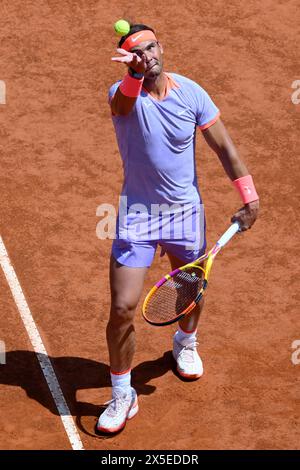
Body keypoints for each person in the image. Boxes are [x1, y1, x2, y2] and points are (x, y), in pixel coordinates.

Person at [97, 22, 259, 434]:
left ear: (161, 47)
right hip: (137, 217)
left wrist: (249, 196)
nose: (147, 56)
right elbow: (122, 106)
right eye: (138, 54)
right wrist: (132, 75)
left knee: (192, 288)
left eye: (151, 48)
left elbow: (223, 146)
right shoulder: (122, 95)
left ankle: (185, 342)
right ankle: (122, 394)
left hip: (185, 214)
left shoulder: (192, 92)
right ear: (129, 63)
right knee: (121, 309)